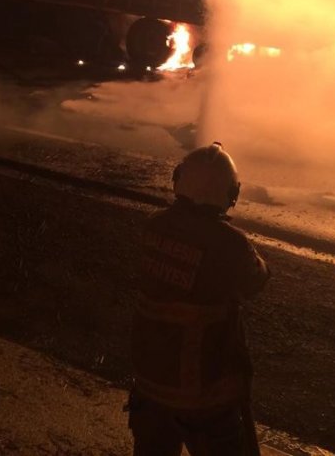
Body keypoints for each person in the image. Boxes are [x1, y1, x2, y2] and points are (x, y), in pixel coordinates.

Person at [129, 141, 270, 456]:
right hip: (204, 395)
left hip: (148, 383)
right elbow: (255, 282)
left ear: (179, 180)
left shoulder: (153, 225)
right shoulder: (231, 244)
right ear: (231, 194)